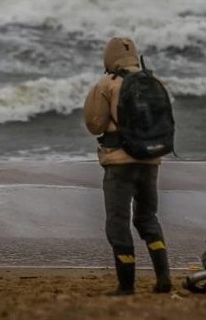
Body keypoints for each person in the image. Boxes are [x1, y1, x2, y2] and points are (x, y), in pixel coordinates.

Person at [83, 36, 172, 295]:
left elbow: (94, 124)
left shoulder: (107, 84)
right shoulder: (154, 81)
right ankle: (163, 277)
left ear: (109, 57)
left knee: (118, 223)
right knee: (147, 219)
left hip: (119, 164)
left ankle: (126, 285)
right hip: (151, 159)